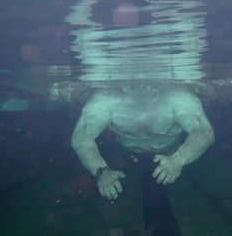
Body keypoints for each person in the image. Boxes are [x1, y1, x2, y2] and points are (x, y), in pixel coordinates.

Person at [71, 86, 214, 200]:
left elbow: (205, 133)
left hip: (170, 151)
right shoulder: (105, 99)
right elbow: (81, 137)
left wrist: (179, 158)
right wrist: (100, 170)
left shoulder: (178, 97)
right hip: (125, 154)